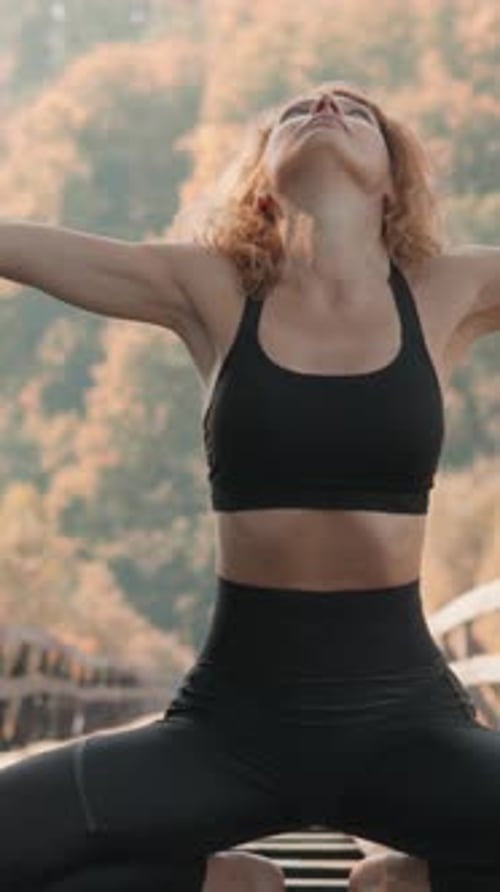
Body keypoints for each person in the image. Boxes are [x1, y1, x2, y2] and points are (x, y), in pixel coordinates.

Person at [0, 78, 499, 892]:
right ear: (265, 179)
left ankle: (408, 884)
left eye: (356, 108)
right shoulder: (215, 290)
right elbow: (34, 248)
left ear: (391, 178)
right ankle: (223, 883)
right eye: (297, 108)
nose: (325, 106)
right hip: (231, 724)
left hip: (408, 723)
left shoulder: (447, 290)